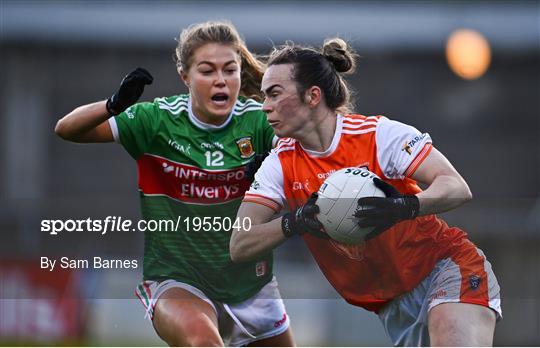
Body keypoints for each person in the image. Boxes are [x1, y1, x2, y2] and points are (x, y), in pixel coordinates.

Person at [230, 38, 501, 346]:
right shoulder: (279, 164)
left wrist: (402, 206)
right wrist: (295, 222)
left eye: (274, 94)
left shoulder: (378, 136)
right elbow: (240, 243)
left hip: (445, 267)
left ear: (312, 96)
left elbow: (455, 186)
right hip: (391, 305)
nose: (265, 106)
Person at [55, 21, 294, 347]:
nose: (220, 80)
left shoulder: (261, 121)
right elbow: (67, 129)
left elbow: (305, 170)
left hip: (250, 285)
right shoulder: (156, 120)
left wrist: (275, 169)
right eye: (207, 71)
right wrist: (112, 105)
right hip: (178, 279)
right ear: (185, 77)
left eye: (230, 70)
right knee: (203, 343)